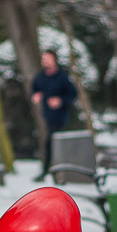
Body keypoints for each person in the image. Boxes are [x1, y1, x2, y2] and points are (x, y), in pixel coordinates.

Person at [30, 49, 78, 181]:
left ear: (54, 59)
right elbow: (34, 88)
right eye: (43, 58)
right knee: (50, 143)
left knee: (51, 143)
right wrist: (36, 95)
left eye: (48, 58)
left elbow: (73, 94)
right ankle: (51, 171)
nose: (45, 61)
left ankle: (52, 172)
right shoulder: (41, 76)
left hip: (62, 118)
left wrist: (60, 100)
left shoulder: (62, 76)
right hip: (48, 117)